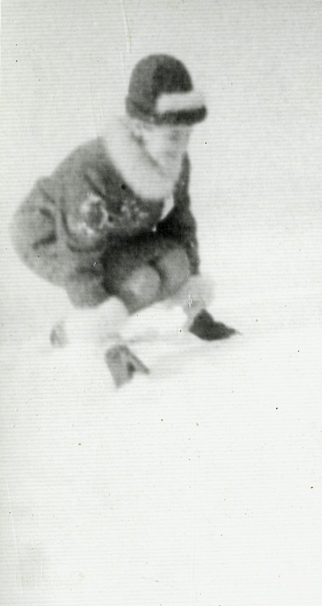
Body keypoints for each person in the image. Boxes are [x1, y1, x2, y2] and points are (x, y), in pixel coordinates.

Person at [11, 54, 237, 386]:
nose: (183, 144)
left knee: (176, 266)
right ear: (139, 128)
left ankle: (94, 322)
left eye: (187, 133)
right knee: (145, 281)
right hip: (52, 238)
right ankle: (71, 333)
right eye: (174, 135)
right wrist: (109, 342)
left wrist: (195, 310)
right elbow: (78, 262)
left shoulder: (174, 162)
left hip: (112, 234)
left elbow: (180, 228)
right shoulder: (93, 171)